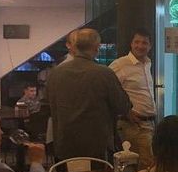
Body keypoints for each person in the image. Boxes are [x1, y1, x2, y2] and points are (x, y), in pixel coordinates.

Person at [47, 28, 132, 161]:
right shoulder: (104, 73)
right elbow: (123, 106)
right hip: (97, 147)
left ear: (75, 47)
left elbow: (51, 105)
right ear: (97, 48)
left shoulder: (55, 73)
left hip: (64, 146)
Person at [110, 28, 157, 169]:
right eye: (137, 42)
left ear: (150, 46)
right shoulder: (120, 64)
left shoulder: (147, 63)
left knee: (146, 165)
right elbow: (108, 90)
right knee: (145, 166)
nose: (140, 46)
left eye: (144, 43)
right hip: (134, 125)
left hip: (149, 124)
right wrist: (125, 111)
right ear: (131, 44)